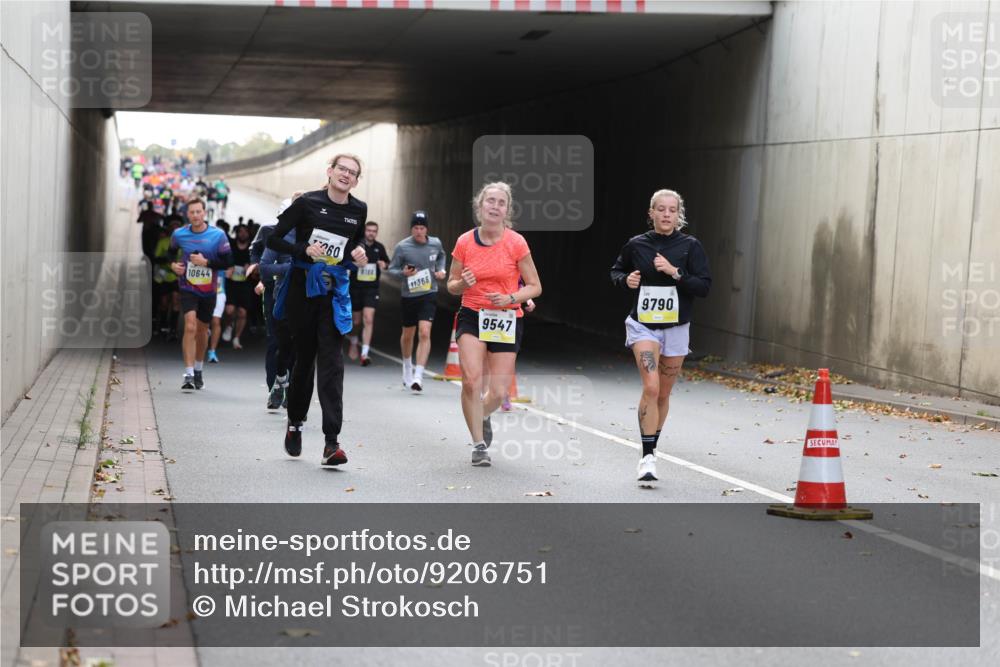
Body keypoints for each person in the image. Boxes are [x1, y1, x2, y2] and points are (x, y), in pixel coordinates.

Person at [266, 154, 369, 466]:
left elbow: (355, 242)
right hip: (303, 289)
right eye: (342, 169)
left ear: (356, 179)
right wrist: (303, 250)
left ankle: (331, 442)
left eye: (353, 173)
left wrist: (359, 252)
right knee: (305, 361)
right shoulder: (307, 203)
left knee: (332, 363)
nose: (346, 176)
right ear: (330, 172)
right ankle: (295, 423)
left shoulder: (358, 209)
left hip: (333, 291)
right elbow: (274, 237)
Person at [609, 188, 711, 485]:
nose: (666, 215)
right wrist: (625, 280)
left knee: (663, 393)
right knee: (651, 387)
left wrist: (675, 272)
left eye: (672, 210)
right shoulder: (636, 245)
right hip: (643, 326)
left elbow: (703, 287)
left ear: (679, 215)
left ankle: (652, 444)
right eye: (661, 209)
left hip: (677, 327)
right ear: (651, 213)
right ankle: (647, 455)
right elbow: (616, 271)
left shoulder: (691, 247)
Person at [446, 183, 541, 466]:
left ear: (506, 210)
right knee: (471, 380)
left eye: (501, 203)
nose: (495, 206)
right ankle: (478, 445)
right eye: (490, 201)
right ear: (480, 206)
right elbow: (451, 285)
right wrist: (463, 283)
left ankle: (483, 413)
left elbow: (535, 286)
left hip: (506, 316)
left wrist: (510, 297)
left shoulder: (516, 243)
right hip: (472, 314)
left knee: (499, 392)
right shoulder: (464, 242)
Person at [169, 199, 233, 390]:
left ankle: (198, 368)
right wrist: (173, 265)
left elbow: (228, 262)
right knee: (190, 325)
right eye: (192, 212)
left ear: (204, 213)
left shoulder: (218, 236)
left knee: (202, 330)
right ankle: (188, 374)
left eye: (198, 212)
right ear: (187, 215)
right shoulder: (179, 234)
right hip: (187, 288)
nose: (195, 215)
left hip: (208, 290)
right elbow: (170, 254)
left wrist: (207, 263)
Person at [387, 211, 446, 390]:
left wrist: (441, 271)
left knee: (425, 332)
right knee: (408, 335)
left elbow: (442, 256)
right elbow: (391, 269)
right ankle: (407, 367)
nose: (419, 231)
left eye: (422, 228)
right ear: (411, 228)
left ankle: (418, 376)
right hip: (409, 295)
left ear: (426, 229)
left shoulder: (435, 243)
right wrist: (403, 273)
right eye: (416, 228)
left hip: (429, 292)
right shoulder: (403, 247)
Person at [252, 194, 301, 409]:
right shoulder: (271, 231)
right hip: (277, 293)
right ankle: (275, 386)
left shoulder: (317, 236)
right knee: (277, 343)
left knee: (301, 348)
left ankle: (294, 393)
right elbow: (260, 259)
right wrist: (289, 269)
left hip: (306, 299)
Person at [347, 221, 389, 366]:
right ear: (364, 231)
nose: (371, 233)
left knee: (368, 318)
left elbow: (387, 263)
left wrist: (384, 265)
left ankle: (364, 353)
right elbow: (346, 262)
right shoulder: (356, 247)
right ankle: (353, 341)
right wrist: (357, 263)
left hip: (372, 288)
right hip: (355, 287)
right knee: (356, 321)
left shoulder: (379, 248)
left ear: (376, 233)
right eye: (369, 230)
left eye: (374, 231)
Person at [222, 224, 255, 350]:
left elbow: (257, 264)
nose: (242, 234)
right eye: (240, 231)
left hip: (245, 283)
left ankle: (236, 338)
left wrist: (250, 268)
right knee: (229, 310)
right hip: (231, 282)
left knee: (242, 312)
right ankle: (229, 325)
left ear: (248, 234)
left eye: (245, 232)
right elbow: (224, 259)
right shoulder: (231, 246)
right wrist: (228, 268)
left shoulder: (252, 247)